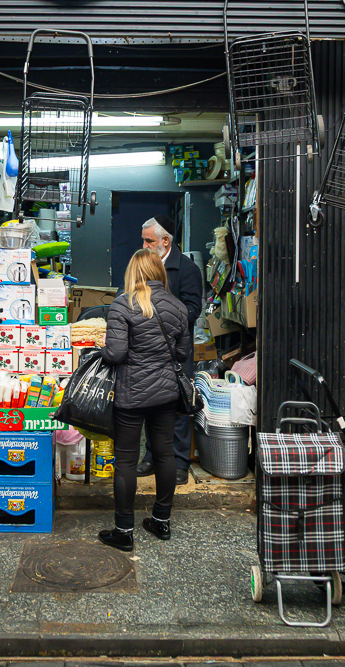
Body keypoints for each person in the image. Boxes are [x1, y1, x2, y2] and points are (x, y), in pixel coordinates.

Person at [97, 249, 192, 551]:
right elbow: (183, 354)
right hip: (165, 394)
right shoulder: (178, 307)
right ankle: (161, 521)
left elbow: (115, 354)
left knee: (125, 460)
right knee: (165, 454)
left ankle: (124, 531)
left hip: (130, 394)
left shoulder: (122, 305)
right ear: (159, 273)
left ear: (133, 273)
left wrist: (102, 347)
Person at [137, 215, 204, 485]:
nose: (144, 245)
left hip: (177, 349)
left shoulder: (187, 269)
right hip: (147, 349)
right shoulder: (142, 266)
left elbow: (194, 309)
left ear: (165, 241)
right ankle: (151, 457)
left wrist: (163, 316)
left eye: (149, 241)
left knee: (177, 407)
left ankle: (179, 463)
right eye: (143, 240)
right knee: (149, 405)